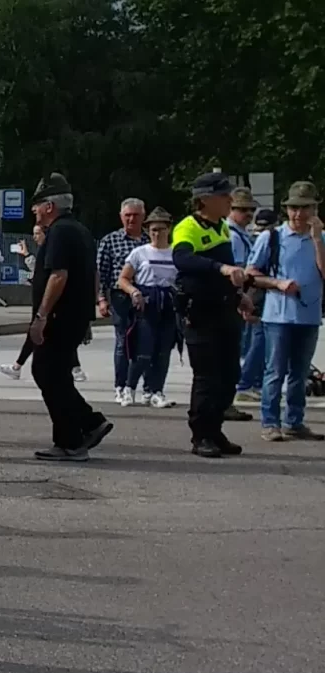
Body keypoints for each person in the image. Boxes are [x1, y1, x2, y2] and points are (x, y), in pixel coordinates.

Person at [25, 175, 108, 462]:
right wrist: (87, 317)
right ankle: (86, 424)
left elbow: (59, 276)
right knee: (56, 375)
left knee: (48, 374)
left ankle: (72, 439)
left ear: (49, 206)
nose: (34, 211)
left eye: (37, 206)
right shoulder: (80, 231)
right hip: (73, 316)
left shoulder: (59, 232)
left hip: (58, 318)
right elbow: (92, 276)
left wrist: (41, 316)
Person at [172, 172, 251, 458]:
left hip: (225, 309)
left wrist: (239, 295)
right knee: (207, 377)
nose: (230, 200)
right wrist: (221, 269)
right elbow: (182, 258)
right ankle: (201, 435)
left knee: (229, 373)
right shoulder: (187, 227)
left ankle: (215, 430)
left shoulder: (222, 228)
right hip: (201, 312)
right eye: (224, 196)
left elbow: (228, 271)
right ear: (205, 200)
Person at [250, 182, 322, 442]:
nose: (298, 214)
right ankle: (270, 422)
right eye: (294, 208)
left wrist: (316, 240)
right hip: (278, 316)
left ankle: (295, 421)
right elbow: (251, 274)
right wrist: (277, 283)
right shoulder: (272, 238)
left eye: (304, 208)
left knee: (300, 373)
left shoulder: (321, 239)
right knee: (275, 371)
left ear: (315, 209)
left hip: (309, 316)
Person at [116, 209, 181, 410]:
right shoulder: (139, 253)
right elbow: (123, 279)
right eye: (153, 230)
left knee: (162, 352)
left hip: (168, 305)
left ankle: (155, 390)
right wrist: (134, 292)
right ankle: (129, 387)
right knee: (143, 351)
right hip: (146, 304)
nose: (157, 233)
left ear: (169, 229)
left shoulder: (176, 253)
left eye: (161, 229)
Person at [95, 198, 149, 405]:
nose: (131, 219)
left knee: (146, 343)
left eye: (135, 215)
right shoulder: (110, 240)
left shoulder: (149, 241)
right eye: (127, 215)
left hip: (146, 296)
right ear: (121, 217)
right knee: (122, 342)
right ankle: (120, 385)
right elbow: (102, 272)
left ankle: (143, 387)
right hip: (120, 297)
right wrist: (101, 299)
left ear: (143, 217)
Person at [227, 187, 266, 406]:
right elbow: (238, 270)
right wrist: (241, 297)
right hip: (243, 295)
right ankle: (245, 384)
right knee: (255, 341)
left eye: (250, 210)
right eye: (242, 210)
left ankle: (249, 382)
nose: (248, 214)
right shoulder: (233, 236)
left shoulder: (241, 234)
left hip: (247, 295)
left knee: (254, 341)